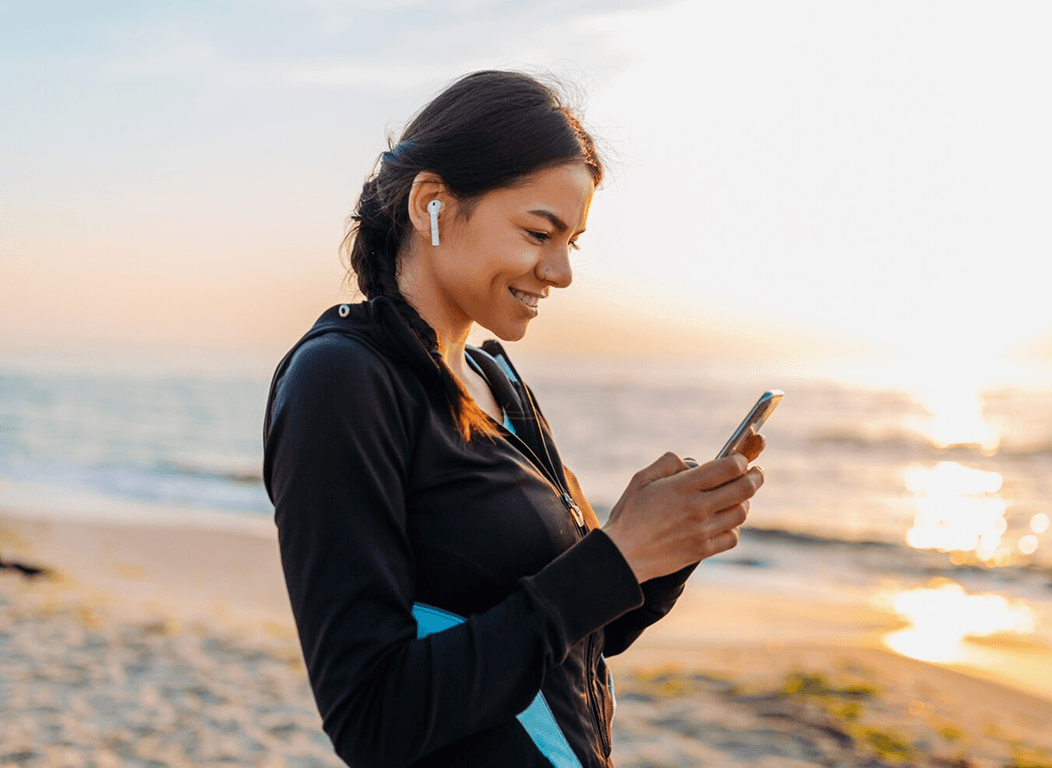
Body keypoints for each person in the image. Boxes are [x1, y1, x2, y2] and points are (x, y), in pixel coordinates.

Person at [262, 70, 766, 768]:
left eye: (573, 243)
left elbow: (580, 637)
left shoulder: (497, 379)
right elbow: (372, 719)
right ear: (432, 204)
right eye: (539, 232)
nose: (559, 272)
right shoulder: (343, 382)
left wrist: (658, 549)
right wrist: (612, 558)